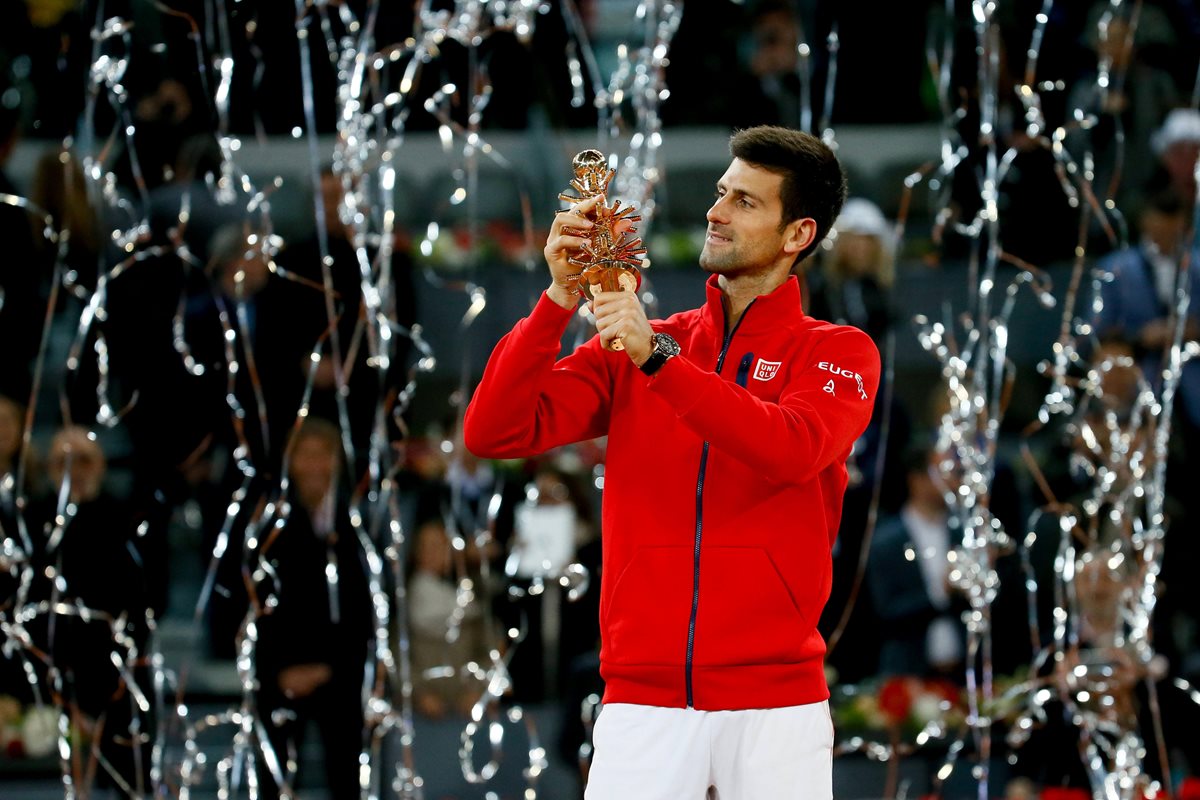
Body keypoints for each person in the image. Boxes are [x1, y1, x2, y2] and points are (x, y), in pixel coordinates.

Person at [464, 126, 880, 799]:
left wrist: (659, 363)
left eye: (745, 202)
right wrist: (557, 300)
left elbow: (791, 448)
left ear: (798, 233)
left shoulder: (837, 351)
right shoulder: (645, 345)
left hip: (777, 707)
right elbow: (494, 430)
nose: (716, 211)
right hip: (641, 700)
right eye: (721, 193)